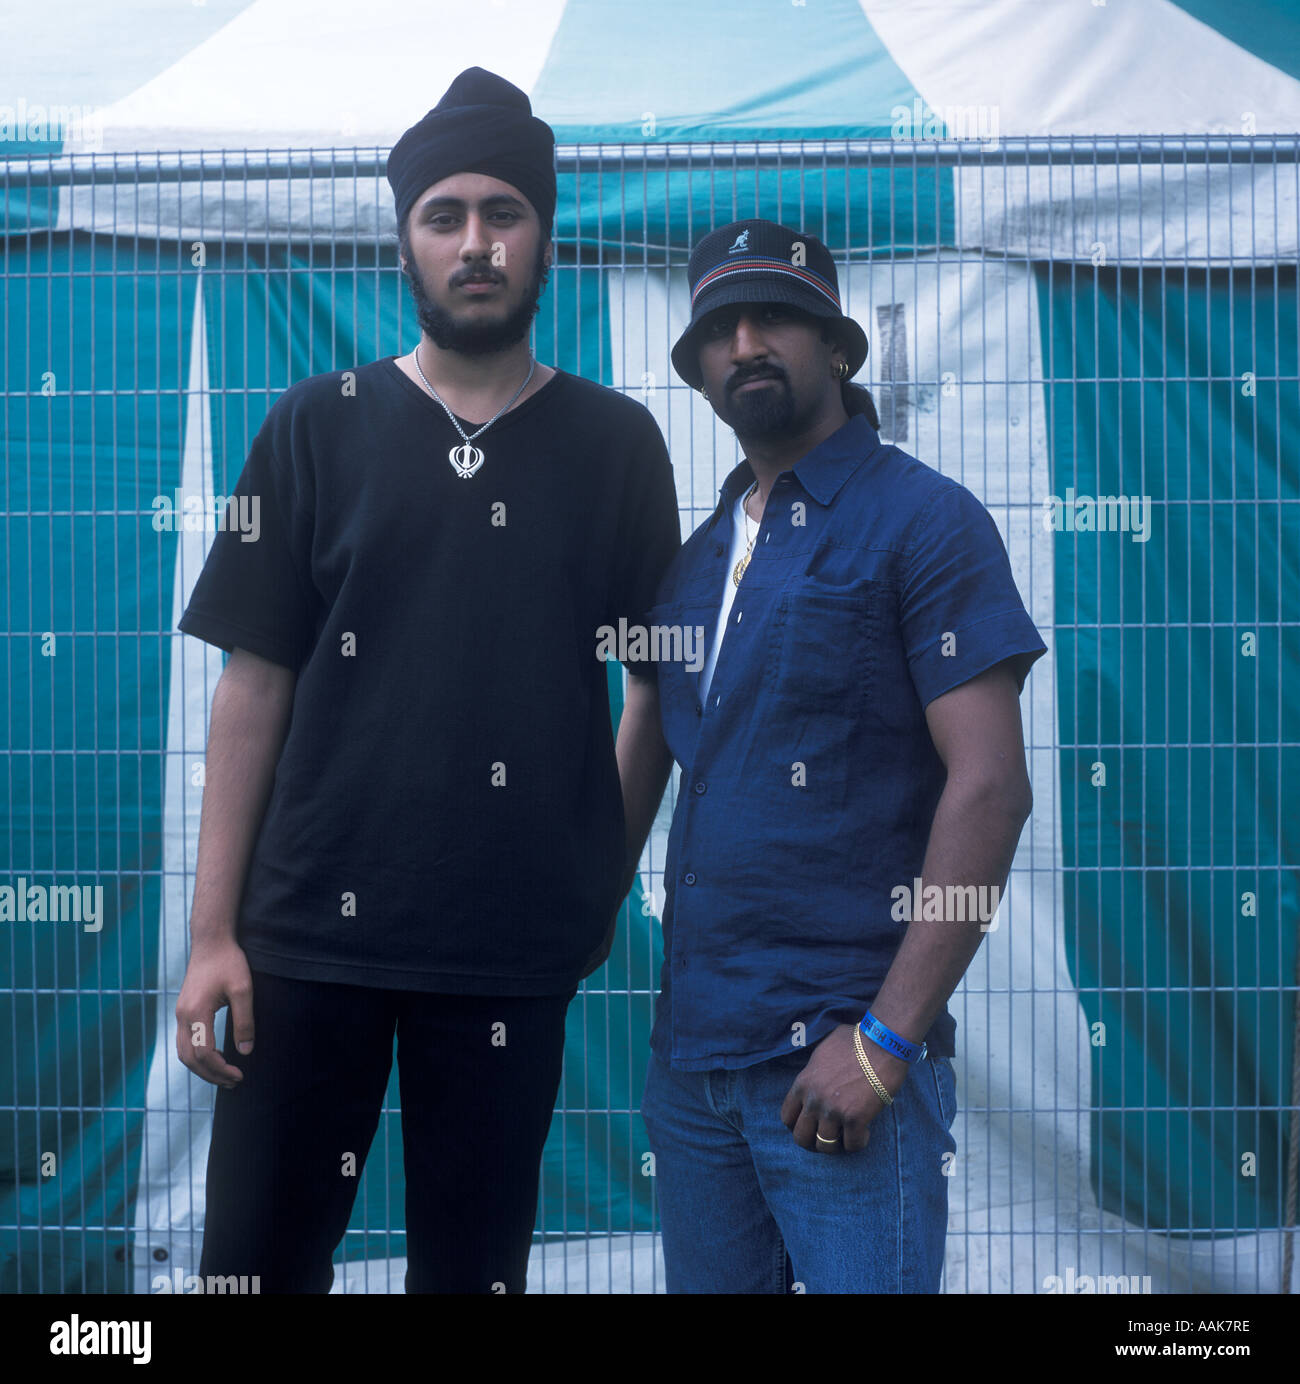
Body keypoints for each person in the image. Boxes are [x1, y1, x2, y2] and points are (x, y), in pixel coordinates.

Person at [174, 67, 680, 1293]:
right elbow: (252, 685)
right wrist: (209, 936)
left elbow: (658, 692)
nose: (475, 242)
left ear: (545, 236)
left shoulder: (617, 445)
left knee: (473, 1273)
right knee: (253, 1263)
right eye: (444, 213)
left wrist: (589, 878)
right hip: (304, 935)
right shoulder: (311, 425)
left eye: (503, 213)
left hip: (508, 948)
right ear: (405, 236)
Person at [638, 218, 1046, 1293]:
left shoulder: (925, 522)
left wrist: (885, 1040)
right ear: (698, 369)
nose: (745, 345)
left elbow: (992, 789)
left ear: (839, 348)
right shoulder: (691, 563)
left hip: (843, 1052)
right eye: (720, 329)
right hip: (695, 1065)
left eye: (775, 317)